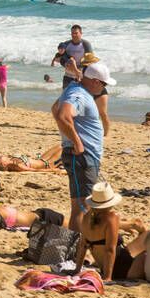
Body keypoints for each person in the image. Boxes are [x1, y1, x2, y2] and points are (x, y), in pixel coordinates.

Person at [54, 61, 112, 230]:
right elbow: (62, 116)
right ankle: (78, 250)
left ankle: (77, 249)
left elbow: (55, 109)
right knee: (83, 209)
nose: (104, 88)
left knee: (80, 207)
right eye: (104, 84)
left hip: (83, 157)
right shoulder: (79, 94)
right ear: (95, 81)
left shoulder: (75, 89)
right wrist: (77, 143)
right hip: (83, 157)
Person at [75, 182, 147, 282]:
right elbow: (110, 250)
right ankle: (136, 225)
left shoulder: (87, 217)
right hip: (120, 267)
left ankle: (134, 225)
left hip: (105, 266)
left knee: (143, 239)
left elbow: (83, 245)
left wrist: (77, 270)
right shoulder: (112, 217)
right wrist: (108, 278)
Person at [0, 146, 65, 172]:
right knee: (65, 147)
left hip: (42, 159)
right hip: (48, 164)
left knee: (60, 146)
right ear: (4, 164)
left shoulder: (12, 160)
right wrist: (52, 170)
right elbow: (35, 171)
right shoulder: (17, 166)